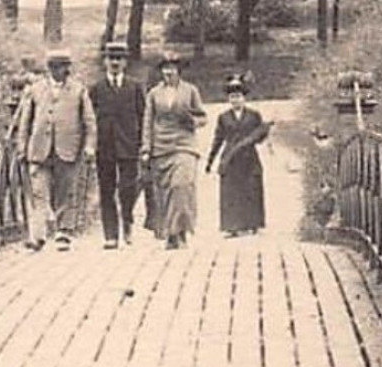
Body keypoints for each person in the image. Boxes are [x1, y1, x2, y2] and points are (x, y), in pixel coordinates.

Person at [14, 49, 96, 252]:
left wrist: (89, 146)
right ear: (50, 68)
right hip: (39, 149)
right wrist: (22, 146)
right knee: (38, 192)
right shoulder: (35, 89)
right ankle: (37, 236)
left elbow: (89, 121)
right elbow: (25, 121)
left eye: (65, 66)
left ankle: (63, 231)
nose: (62, 71)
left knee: (65, 192)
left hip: (68, 148)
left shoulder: (79, 90)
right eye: (57, 67)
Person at [140, 50, 206, 249]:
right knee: (164, 192)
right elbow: (148, 121)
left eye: (172, 68)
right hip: (161, 147)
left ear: (179, 71)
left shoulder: (190, 91)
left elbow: (202, 117)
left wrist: (191, 121)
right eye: (165, 69)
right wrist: (146, 148)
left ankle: (182, 230)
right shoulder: (153, 93)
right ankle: (170, 233)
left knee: (182, 186)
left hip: (184, 145)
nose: (169, 72)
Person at [88, 40, 145, 250]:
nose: (115, 62)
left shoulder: (135, 87)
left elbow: (143, 116)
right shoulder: (96, 89)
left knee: (128, 189)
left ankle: (127, 221)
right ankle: (110, 234)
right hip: (104, 147)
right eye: (111, 58)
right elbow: (89, 119)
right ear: (105, 61)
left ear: (125, 62)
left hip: (129, 145)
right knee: (106, 190)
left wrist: (143, 144)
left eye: (119, 59)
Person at [206, 74, 270, 237]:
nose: (235, 100)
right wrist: (210, 160)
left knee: (251, 189)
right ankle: (232, 226)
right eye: (232, 97)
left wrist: (262, 133)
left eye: (238, 96)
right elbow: (218, 139)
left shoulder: (254, 115)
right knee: (231, 191)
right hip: (231, 158)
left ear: (244, 98)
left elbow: (260, 137)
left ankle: (252, 223)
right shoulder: (223, 117)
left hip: (249, 157)